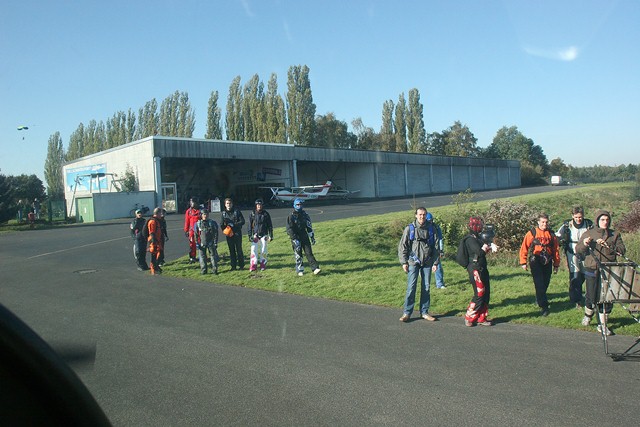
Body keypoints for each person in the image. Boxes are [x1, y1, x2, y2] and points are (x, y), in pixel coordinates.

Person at [575, 209, 626, 335]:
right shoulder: (589, 233)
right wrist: (585, 243)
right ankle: (588, 315)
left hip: (609, 270)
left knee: (607, 298)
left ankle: (603, 325)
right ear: (597, 220)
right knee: (591, 296)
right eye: (602, 220)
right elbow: (578, 249)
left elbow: (622, 250)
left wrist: (608, 245)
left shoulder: (615, 234)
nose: (605, 222)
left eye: (607, 220)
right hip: (592, 269)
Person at [397, 207, 439, 322]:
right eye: (420, 214)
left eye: (424, 214)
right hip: (413, 262)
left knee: (426, 287)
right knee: (411, 287)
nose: (422, 217)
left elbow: (436, 247)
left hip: (427, 262)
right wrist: (404, 262)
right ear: (416, 215)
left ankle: (424, 312)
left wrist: (435, 263)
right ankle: (407, 313)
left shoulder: (431, 229)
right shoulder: (410, 229)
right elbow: (403, 246)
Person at [519, 213, 560, 316]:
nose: (544, 224)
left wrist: (556, 264)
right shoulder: (532, 233)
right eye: (542, 222)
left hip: (547, 260)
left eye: (546, 222)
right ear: (538, 222)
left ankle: (539, 298)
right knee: (539, 283)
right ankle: (544, 306)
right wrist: (523, 262)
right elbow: (524, 247)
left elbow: (556, 250)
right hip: (536, 260)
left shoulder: (551, 234)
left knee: (545, 282)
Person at [460, 217, 497, 326]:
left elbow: (484, 246)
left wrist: (490, 245)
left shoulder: (477, 237)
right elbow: (479, 252)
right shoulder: (470, 239)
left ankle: (481, 317)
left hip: (482, 268)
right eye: (479, 225)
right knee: (479, 293)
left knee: (486, 294)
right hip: (475, 269)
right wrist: (486, 247)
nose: (481, 227)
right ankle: (469, 317)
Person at [555, 206, 593, 309]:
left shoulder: (588, 224)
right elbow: (558, 235)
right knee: (575, 275)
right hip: (572, 253)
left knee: (585, 275)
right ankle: (576, 300)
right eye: (576, 217)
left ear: (583, 216)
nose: (578, 219)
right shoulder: (567, 225)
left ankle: (584, 296)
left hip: (586, 252)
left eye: (580, 217)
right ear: (572, 216)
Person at [286, 198, 321, 276]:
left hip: (304, 235)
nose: (299, 206)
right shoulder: (291, 216)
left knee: (309, 253)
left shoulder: (305, 215)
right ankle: (300, 269)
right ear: (294, 205)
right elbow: (289, 228)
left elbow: (309, 226)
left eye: (300, 204)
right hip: (296, 237)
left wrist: (312, 237)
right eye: (298, 204)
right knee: (298, 254)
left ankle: (315, 268)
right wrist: (294, 238)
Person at [248, 198, 273, 272]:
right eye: (258, 205)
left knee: (263, 249)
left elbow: (270, 225)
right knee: (253, 249)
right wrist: (250, 235)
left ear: (262, 205)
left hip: (264, 234)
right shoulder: (252, 214)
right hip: (255, 234)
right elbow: (249, 225)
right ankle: (253, 264)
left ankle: (263, 263)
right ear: (256, 205)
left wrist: (271, 235)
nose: (259, 206)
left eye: (260, 205)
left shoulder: (266, 214)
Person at [221, 198, 245, 271]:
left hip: (237, 233)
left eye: (230, 203)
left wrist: (234, 224)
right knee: (231, 250)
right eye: (227, 203)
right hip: (229, 234)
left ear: (232, 204)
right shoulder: (223, 213)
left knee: (239, 250)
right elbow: (221, 224)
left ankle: (241, 265)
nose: (228, 205)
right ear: (225, 205)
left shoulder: (237, 212)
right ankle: (233, 266)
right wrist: (225, 230)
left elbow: (242, 221)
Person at [194, 209, 219, 275]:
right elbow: (196, 234)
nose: (205, 216)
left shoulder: (212, 223)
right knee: (202, 257)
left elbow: (216, 233)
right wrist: (197, 243)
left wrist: (215, 242)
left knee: (213, 256)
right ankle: (204, 270)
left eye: (207, 214)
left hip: (211, 242)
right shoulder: (198, 224)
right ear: (201, 215)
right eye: (204, 214)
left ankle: (215, 269)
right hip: (202, 243)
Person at [427, 212, 446, 289]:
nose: (430, 222)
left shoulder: (436, 227)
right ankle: (425, 283)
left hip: (435, 249)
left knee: (438, 266)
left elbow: (440, 239)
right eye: (429, 221)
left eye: (431, 220)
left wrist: (441, 250)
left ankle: (440, 284)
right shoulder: (421, 228)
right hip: (425, 250)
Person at [146, 207, 165, 275]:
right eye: (160, 213)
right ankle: (153, 269)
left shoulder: (157, 221)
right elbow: (152, 232)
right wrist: (154, 242)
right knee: (154, 255)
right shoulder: (153, 221)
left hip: (157, 241)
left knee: (159, 253)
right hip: (154, 241)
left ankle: (156, 267)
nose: (161, 215)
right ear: (157, 213)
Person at [183, 197, 200, 263]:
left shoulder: (201, 210)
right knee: (192, 244)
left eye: (192, 202)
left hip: (200, 230)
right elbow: (187, 221)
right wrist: (186, 230)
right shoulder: (189, 211)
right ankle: (192, 257)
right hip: (192, 231)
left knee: (201, 243)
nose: (191, 204)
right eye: (190, 202)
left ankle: (202, 256)